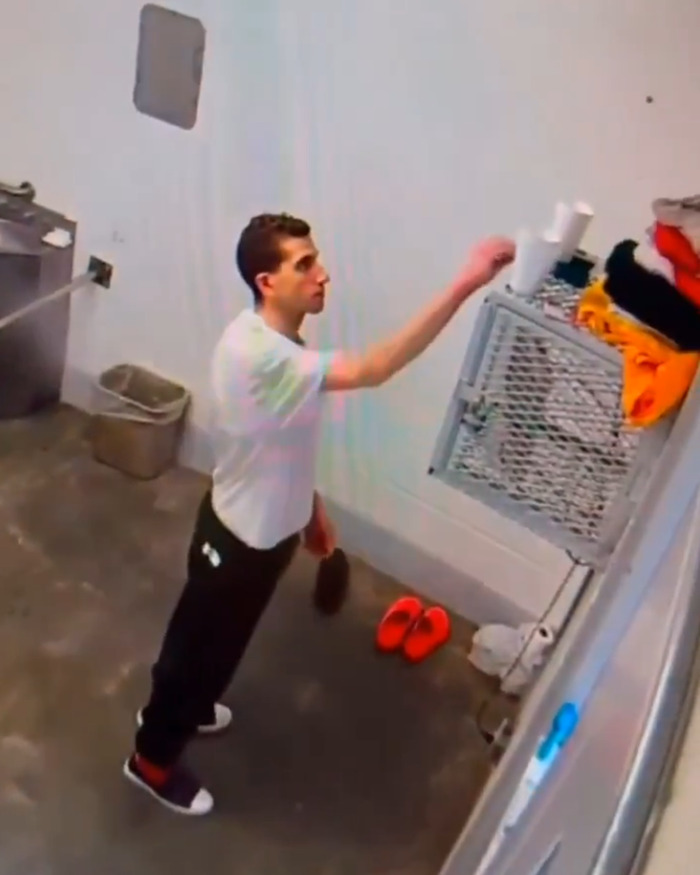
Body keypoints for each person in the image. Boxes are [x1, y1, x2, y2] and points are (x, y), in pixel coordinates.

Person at [123, 212, 515, 815]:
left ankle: (190, 705)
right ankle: (150, 760)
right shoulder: (260, 355)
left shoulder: (283, 344)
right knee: (195, 652)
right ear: (267, 281)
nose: (322, 273)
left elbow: (280, 439)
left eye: (316, 258)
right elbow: (376, 368)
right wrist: (465, 282)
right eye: (304, 264)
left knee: (220, 647)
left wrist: (309, 508)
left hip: (269, 531)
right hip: (236, 542)